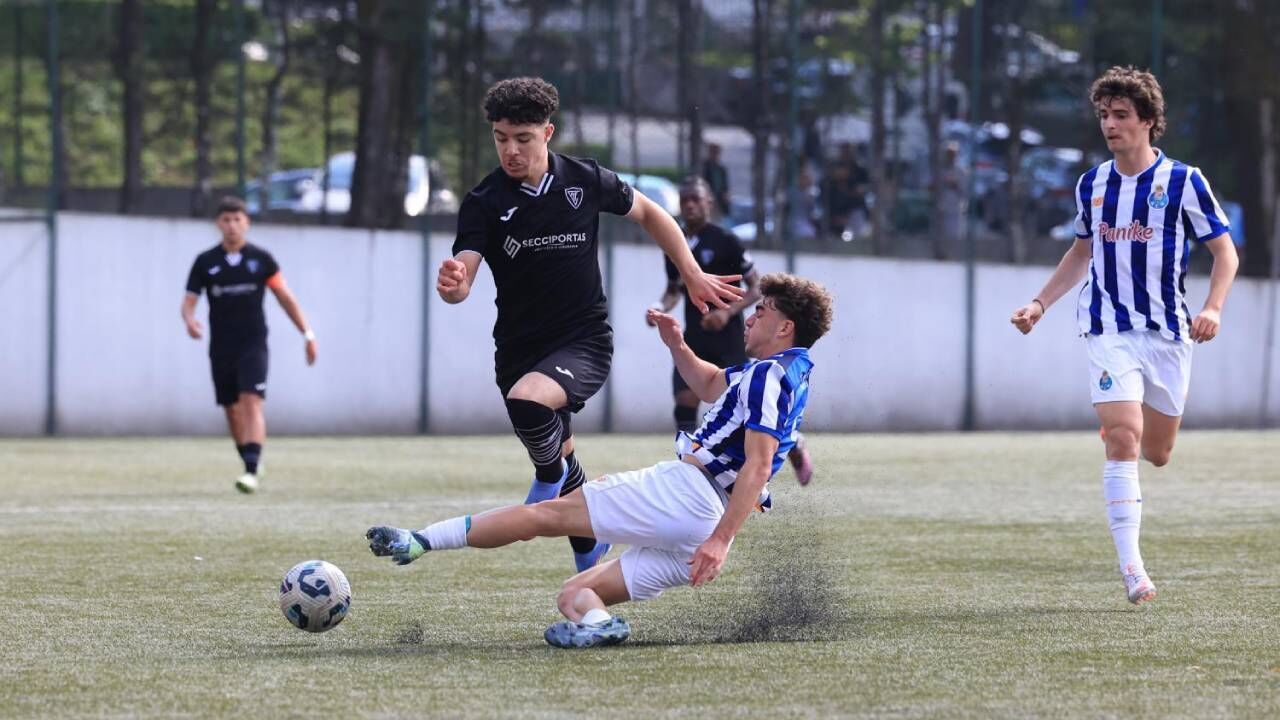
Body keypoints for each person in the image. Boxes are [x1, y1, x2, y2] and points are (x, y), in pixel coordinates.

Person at [367, 273, 834, 648]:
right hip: (700, 521)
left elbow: (758, 465)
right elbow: (711, 385)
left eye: (761, 311)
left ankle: (420, 540)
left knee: (544, 514)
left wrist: (720, 540)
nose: (749, 318)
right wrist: (677, 344)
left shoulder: (770, 375)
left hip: (690, 497)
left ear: (785, 328)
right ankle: (600, 625)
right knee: (575, 595)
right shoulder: (782, 372)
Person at [439, 77, 743, 573]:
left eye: (523, 138)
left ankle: (547, 478)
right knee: (561, 453)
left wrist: (690, 272)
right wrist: (455, 284)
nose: (510, 150)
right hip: (517, 350)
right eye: (500, 138)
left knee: (531, 405)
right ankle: (589, 561)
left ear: (547, 133)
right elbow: (465, 271)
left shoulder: (584, 179)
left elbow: (651, 213)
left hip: (584, 341)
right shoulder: (484, 201)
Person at [1009, 66, 1238, 606]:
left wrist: (1213, 308)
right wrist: (1040, 303)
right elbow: (1081, 252)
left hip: (1168, 333)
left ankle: (1123, 425)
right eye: (1103, 115)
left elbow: (1224, 252)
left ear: (1148, 121)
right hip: (1107, 326)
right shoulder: (1091, 185)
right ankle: (1133, 569)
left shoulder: (1184, 181)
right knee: (1123, 439)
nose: (1109, 125)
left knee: (1157, 452)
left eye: (1120, 115)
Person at [647, 177, 815, 484]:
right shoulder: (675, 244)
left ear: (709, 202)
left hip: (729, 339)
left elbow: (756, 287)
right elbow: (673, 290)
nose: (689, 205)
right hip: (695, 336)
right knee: (685, 401)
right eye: (685, 199)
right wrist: (660, 308)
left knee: (748, 402)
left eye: (696, 199)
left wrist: (727, 312)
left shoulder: (726, 240)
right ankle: (687, 471)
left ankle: (793, 441)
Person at [182, 196, 317, 493]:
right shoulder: (205, 262)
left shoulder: (261, 259)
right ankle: (249, 457)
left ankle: (251, 470)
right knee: (231, 409)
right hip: (221, 347)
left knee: (251, 401)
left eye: (237, 219)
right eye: (226, 220)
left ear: (247, 223)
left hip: (253, 344)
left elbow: (285, 298)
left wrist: (307, 334)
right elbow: (189, 301)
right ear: (218, 224)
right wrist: (190, 320)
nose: (232, 225)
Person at [700, 142, 731, 218]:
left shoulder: (721, 169)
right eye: (713, 151)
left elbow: (725, 186)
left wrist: (725, 195)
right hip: (708, 199)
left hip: (718, 200)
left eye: (716, 152)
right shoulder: (705, 166)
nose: (715, 154)